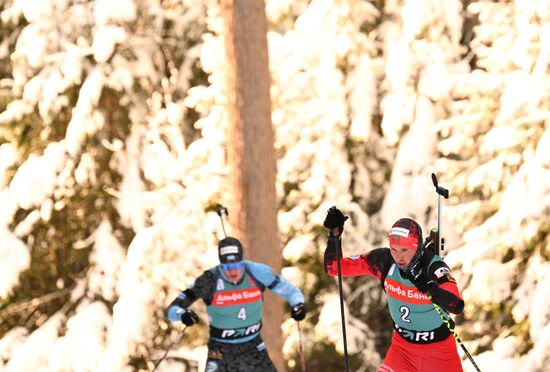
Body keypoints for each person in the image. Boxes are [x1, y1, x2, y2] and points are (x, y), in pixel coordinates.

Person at [322, 207, 464, 372]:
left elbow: (456, 305)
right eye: (394, 249)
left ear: (417, 247)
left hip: (439, 353)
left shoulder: (433, 267)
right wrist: (334, 237)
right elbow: (334, 268)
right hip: (402, 351)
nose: (399, 257)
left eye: (405, 250)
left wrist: (430, 288)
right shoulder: (383, 262)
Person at [166, 236, 306, 372]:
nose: (233, 271)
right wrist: (183, 315)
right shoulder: (209, 280)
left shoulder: (257, 272)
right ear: (221, 264)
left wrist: (298, 304)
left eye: (237, 265)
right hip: (220, 350)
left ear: (242, 261)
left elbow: (290, 291)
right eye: (227, 267)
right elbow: (173, 309)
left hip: (253, 346)